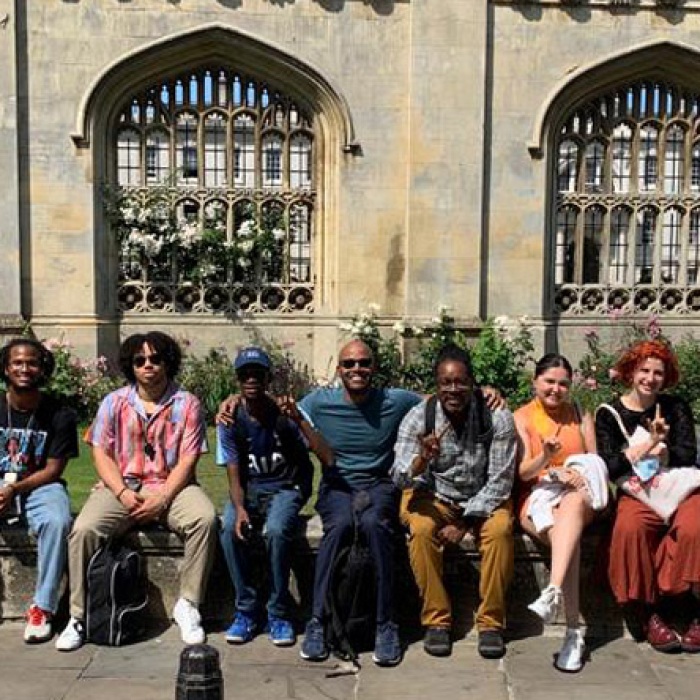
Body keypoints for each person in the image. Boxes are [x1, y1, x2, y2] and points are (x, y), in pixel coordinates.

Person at [56, 332, 218, 651]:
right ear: (131, 366)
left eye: (156, 359)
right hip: (123, 483)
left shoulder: (187, 404)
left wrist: (162, 498)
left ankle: (188, 603)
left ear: (167, 362)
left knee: (205, 519)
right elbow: (100, 452)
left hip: (172, 485)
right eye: (140, 360)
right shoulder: (114, 402)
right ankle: (78, 615)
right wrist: (122, 493)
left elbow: (188, 458)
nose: (148, 366)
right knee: (84, 530)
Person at [296, 339, 423, 667]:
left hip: (379, 485)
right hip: (337, 486)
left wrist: (486, 392)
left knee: (374, 526)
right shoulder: (319, 403)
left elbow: (439, 400)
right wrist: (233, 399)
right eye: (349, 364)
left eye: (364, 363)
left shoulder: (394, 401)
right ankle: (317, 621)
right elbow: (276, 408)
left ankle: (386, 623)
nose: (357, 370)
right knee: (338, 528)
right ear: (338, 370)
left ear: (374, 368)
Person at [392, 344, 517, 660]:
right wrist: (422, 459)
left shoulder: (497, 417)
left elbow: (501, 481)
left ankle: (490, 624)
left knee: (501, 531)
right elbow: (399, 478)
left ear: (473, 383)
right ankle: (437, 620)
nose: (453, 390)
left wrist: (465, 523)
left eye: (460, 382)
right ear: (436, 385)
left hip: (484, 494)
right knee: (420, 530)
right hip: (434, 494)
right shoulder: (419, 417)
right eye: (446, 383)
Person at [595, 339, 700, 653]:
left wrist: (664, 450)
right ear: (631, 372)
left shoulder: (675, 407)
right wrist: (647, 443)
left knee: (696, 527)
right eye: (644, 370)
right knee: (629, 529)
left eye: (658, 372)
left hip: (678, 487)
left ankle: (689, 604)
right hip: (639, 492)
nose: (650, 378)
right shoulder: (608, 413)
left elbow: (687, 453)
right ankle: (648, 612)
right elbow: (611, 466)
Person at [217, 347, 317, 647]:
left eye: (257, 374)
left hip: (285, 487)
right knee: (228, 529)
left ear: (268, 377)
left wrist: (296, 420)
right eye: (245, 374)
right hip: (250, 490)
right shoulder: (231, 418)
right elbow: (233, 470)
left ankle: (278, 611)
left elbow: (312, 448)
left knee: (275, 530)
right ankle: (246, 609)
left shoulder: (284, 414)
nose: (251, 380)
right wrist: (239, 507)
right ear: (237, 379)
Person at [515, 354, 602, 673]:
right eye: (549, 381)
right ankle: (572, 633)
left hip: (579, 494)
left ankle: (552, 592)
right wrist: (550, 464)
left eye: (563, 383)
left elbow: (595, 461)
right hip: (537, 496)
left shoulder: (580, 413)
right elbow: (523, 473)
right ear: (535, 382)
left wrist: (577, 473)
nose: (556, 389)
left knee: (575, 505)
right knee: (571, 541)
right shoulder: (522, 417)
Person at [0, 338, 78, 643]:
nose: (24, 368)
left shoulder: (59, 414)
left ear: (42, 368)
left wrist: (14, 488)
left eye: (31, 362)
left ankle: (42, 608)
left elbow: (53, 469)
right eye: (17, 362)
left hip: (39, 485)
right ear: (6, 368)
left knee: (58, 520)